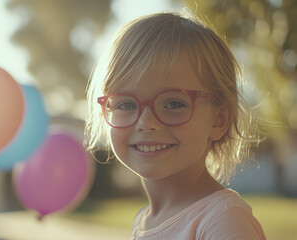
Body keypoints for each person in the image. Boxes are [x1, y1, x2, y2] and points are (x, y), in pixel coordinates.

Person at [85, 12, 266, 239]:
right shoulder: (144, 220)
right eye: (126, 104)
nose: (145, 123)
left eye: (173, 103)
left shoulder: (222, 222)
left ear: (218, 120)